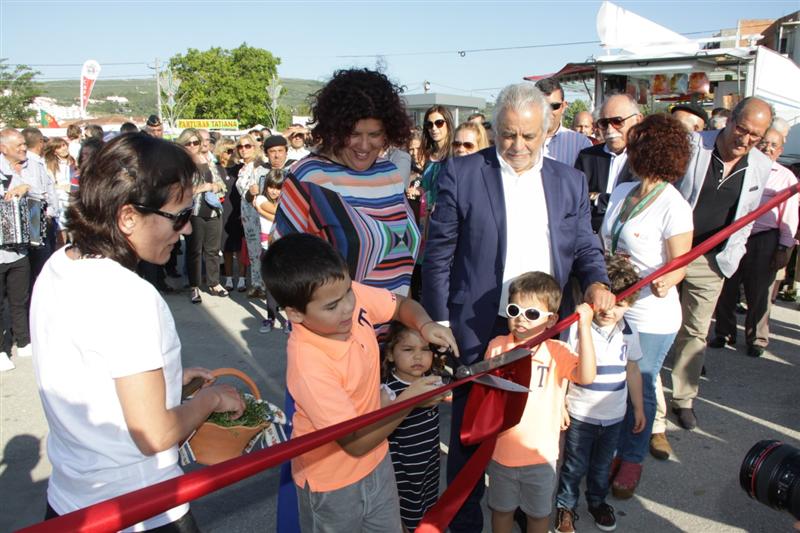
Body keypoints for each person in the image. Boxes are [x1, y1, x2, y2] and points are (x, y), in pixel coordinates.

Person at [422, 83, 614, 532]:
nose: (518, 146)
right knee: (472, 435)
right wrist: (441, 322)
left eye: (529, 136)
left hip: (543, 326)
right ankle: (466, 523)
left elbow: (585, 245)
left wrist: (598, 283)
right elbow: (439, 255)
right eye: (508, 135)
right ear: (496, 129)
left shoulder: (570, 181)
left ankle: (533, 517)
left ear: (548, 129)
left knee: (535, 429)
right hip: (477, 325)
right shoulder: (462, 173)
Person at [30, 133, 245, 531]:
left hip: (71, 503)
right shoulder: (130, 296)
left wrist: (169, 382)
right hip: (142, 508)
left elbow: (89, 376)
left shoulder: (59, 266)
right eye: (179, 216)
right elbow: (155, 434)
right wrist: (211, 400)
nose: (184, 230)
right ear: (128, 216)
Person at [260, 233, 457, 533]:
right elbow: (354, 442)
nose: (348, 308)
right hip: (331, 485)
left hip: (378, 459)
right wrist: (409, 400)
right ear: (295, 313)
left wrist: (425, 324)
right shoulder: (308, 364)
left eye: (349, 293)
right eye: (331, 306)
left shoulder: (341, 294)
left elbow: (400, 305)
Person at [599, 113, 694, 496]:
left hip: (652, 315)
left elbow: (680, 264)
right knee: (615, 381)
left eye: (634, 142)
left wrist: (667, 278)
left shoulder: (674, 205)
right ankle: (614, 448)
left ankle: (633, 458)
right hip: (616, 306)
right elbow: (605, 240)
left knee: (644, 381)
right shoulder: (623, 192)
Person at [668, 97, 773, 432]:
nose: (745, 140)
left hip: (713, 261)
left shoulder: (760, 165)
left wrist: (732, 256)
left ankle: (684, 398)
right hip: (672, 250)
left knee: (696, 331)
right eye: (742, 130)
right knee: (655, 322)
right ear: (729, 121)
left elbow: (747, 218)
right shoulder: (695, 146)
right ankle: (639, 389)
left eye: (755, 136)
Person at [272, 68, 420, 297]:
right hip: (338, 330)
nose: (364, 145)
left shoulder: (388, 172)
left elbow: (401, 263)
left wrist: (407, 321)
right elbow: (283, 267)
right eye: (354, 133)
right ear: (335, 129)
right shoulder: (308, 177)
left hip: (397, 325)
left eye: (374, 134)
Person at [484, 272, 596, 533]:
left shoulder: (556, 352)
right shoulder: (497, 347)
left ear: (551, 320)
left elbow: (587, 375)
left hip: (541, 457)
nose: (520, 318)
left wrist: (584, 328)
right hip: (502, 453)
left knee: (538, 515)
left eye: (532, 313)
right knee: (501, 511)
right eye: (514, 310)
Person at [554, 255, 645, 533]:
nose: (610, 311)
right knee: (573, 465)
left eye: (620, 304)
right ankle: (566, 506)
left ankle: (597, 502)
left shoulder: (629, 331)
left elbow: (632, 371)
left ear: (630, 304)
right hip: (581, 413)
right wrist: (559, 406)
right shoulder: (575, 329)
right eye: (604, 304)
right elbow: (563, 370)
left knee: (602, 465)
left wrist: (639, 408)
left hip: (614, 416)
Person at [709, 127, 799, 357]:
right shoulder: (745, 166)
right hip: (735, 234)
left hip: (764, 239)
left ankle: (757, 339)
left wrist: (783, 248)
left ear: (779, 151)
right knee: (727, 286)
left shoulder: (785, 176)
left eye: (773, 145)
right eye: (764, 143)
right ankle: (724, 332)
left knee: (759, 292)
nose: (767, 148)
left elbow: (789, 215)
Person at [381, 322, 444, 532]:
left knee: (428, 508)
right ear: (390, 354)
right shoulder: (388, 392)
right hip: (403, 472)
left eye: (425, 350)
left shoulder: (431, 381)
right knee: (405, 516)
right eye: (408, 350)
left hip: (429, 464)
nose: (418, 357)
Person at [575, 93, 641, 233]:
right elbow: (577, 201)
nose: (610, 130)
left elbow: (641, 201)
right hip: (592, 238)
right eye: (604, 123)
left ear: (637, 120)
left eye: (617, 121)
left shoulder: (646, 159)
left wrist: (597, 197)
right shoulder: (587, 157)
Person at [177, 128, 228, 304]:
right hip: (194, 212)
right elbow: (179, 190)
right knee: (194, 251)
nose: (192, 146)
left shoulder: (207, 159)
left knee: (213, 250)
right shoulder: (181, 164)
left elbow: (221, 183)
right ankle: (194, 286)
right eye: (188, 143)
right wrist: (202, 188)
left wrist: (215, 187)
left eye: (195, 142)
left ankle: (214, 283)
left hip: (213, 210)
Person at [0, 129, 36, 372]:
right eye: (19, 144)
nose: (24, 148)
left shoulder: (32, 166)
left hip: (21, 248)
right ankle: (2, 349)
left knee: (20, 298)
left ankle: (23, 341)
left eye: (24, 144)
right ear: (3, 148)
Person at [234, 133, 267, 298]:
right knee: (253, 251)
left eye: (248, 146)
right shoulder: (243, 167)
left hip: (259, 214)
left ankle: (265, 285)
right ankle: (256, 284)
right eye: (240, 146)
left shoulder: (258, 166)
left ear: (255, 147)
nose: (243, 149)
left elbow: (255, 192)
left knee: (262, 250)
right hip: (247, 215)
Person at [254, 169, 287, 333]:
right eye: (271, 187)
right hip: (267, 248)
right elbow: (278, 213)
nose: (274, 191)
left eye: (278, 187)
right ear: (266, 186)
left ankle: (289, 320)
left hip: (284, 248)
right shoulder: (260, 198)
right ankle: (270, 317)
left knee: (287, 284)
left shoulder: (286, 202)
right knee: (270, 285)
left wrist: (260, 212)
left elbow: (278, 213)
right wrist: (262, 210)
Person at [534, 78, 592, 166]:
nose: (548, 111)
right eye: (542, 106)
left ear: (564, 106)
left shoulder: (581, 143)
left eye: (554, 106)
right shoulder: (519, 141)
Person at [215, 138, 245, 292]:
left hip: (238, 211)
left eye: (233, 150)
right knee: (226, 246)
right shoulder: (215, 169)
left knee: (239, 247)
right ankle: (227, 277)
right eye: (228, 150)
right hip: (222, 211)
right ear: (220, 151)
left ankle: (241, 278)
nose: (231, 153)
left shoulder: (241, 168)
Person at [42, 137, 76, 245]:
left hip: (73, 201)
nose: (63, 148)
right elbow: (50, 185)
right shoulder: (48, 164)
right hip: (59, 203)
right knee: (61, 235)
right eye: (59, 147)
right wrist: (62, 187)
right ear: (54, 150)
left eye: (64, 145)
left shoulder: (73, 161)